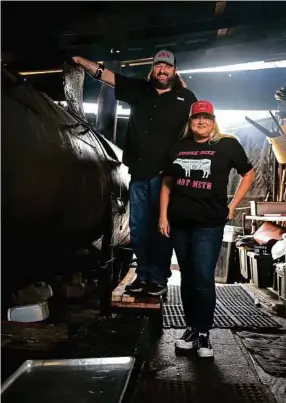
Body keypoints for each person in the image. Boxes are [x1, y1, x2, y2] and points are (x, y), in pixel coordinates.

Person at [72, 50, 197, 296]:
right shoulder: (139, 89)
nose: (163, 70)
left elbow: (198, 131)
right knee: (139, 228)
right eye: (158, 66)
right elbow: (105, 75)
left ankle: (158, 278)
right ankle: (143, 275)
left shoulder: (186, 98)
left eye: (167, 67)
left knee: (161, 228)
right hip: (139, 173)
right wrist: (79, 60)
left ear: (174, 71)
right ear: (153, 69)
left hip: (167, 177)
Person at [159, 100, 255, 357]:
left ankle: (203, 333)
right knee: (188, 278)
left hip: (209, 224)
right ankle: (191, 328)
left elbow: (248, 173)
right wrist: (163, 216)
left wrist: (233, 205)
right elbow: (167, 182)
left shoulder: (227, 144)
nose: (201, 122)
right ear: (190, 122)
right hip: (179, 223)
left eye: (206, 117)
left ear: (213, 121)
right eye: (196, 118)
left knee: (202, 276)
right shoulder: (179, 146)